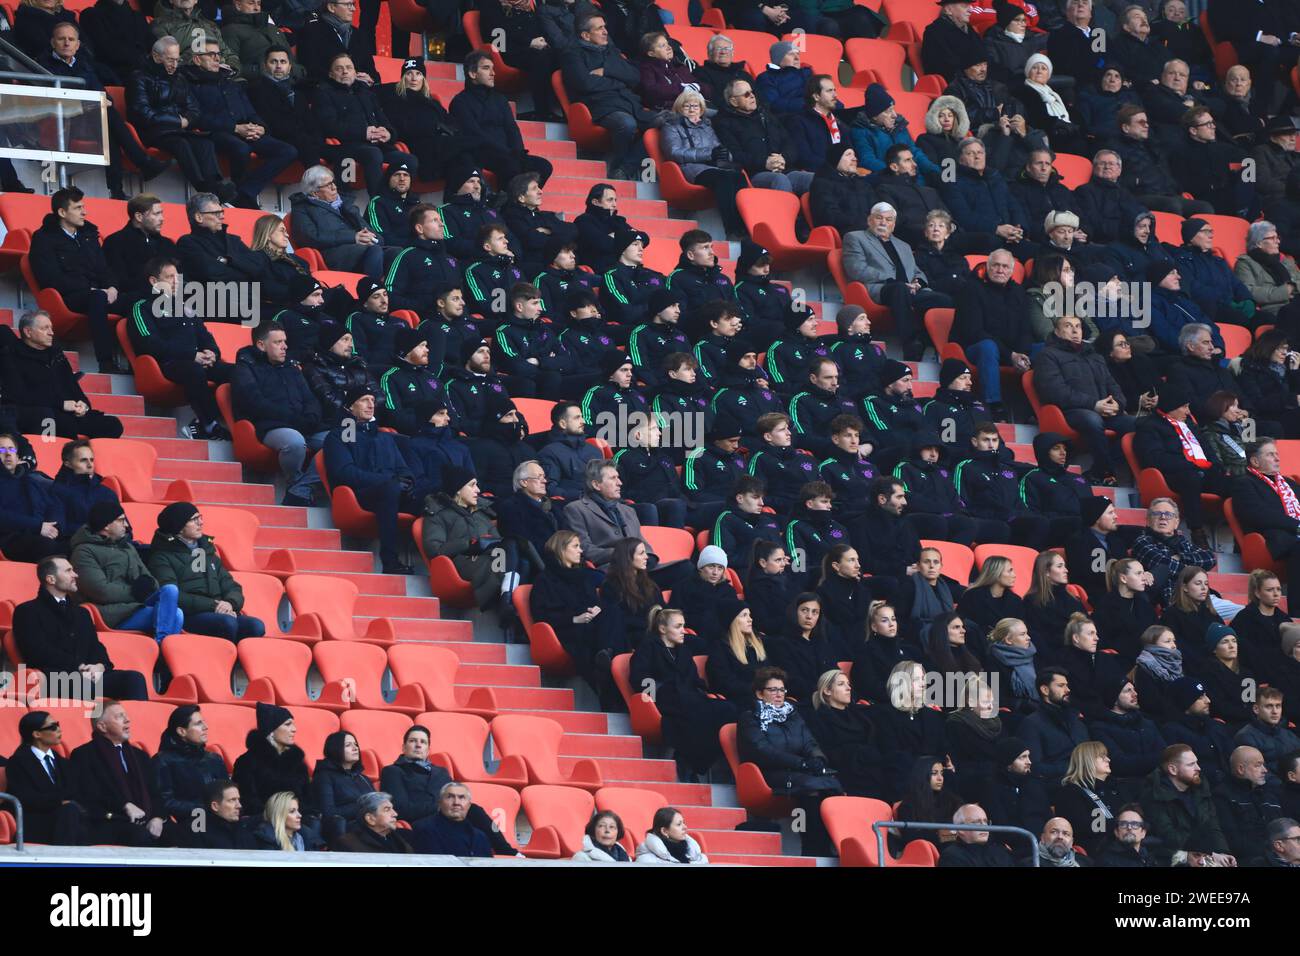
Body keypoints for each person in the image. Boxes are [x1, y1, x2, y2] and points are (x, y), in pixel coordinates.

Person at [323, 387, 432, 574]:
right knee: (389, 489)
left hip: (393, 491)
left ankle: (440, 566)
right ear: (350, 407)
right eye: (364, 400)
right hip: (360, 495)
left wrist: (406, 482)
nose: (371, 404)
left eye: (373, 400)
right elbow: (345, 473)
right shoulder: (340, 435)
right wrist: (389, 480)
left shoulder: (385, 437)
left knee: (432, 495)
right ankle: (390, 562)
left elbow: (403, 468)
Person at [13, 556, 149, 701]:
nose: (75, 575)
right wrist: (79, 667)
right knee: (83, 684)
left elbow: (96, 647)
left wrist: (100, 666)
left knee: (134, 679)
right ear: (51, 579)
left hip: (86, 676)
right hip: (54, 678)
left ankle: (137, 724)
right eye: (68, 571)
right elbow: (37, 652)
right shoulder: (27, 611)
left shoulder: (82, 613)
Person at [24, 186, 128, 376]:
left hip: (99, 293)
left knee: (138, 301)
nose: (84, 212)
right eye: (78, 208)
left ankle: (139, 361)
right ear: (62, 212)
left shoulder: (89, 234)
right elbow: (49, 278)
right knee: (97, 297)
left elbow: (104, 269)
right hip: (68, 297)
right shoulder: (44, 238)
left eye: (83, 207)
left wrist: (112, 287)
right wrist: (93, 289)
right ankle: (106, 362)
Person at [736, 665, 841, 853]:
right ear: (760, 694)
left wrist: (817, 759)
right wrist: (800, 763)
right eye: (773, 690)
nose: (779, 694)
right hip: (768, 773)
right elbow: (763, 751)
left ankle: (827, 845)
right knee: (812, 787)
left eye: (782, 689)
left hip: (796, 770)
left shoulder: (793, 715)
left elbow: (809, 742)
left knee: (832, 785)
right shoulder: (750, 718)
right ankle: (812, 847)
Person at [183, 38, 296, 209]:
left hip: (244, 130)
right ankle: (240, 197)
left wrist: (259, 127)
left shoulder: (230, 82)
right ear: (197, 59)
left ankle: (245, 192)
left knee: (288, 151)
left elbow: (250, 111)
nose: (217, 58)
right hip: (215, 133)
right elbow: (198, 118)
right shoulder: (189, 83)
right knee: (241, 148)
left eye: (218, 54)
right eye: (211, 54)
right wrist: (234, 128)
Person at [631, 606, 733, 777]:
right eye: (678, 626)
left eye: (683, 626)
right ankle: (689, 761)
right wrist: (655, 694)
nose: (683, 631)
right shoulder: (648, 647)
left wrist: (700, 690)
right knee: (698, 713)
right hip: (664, 697)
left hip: (689, 697)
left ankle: (694, 760)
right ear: (663, 629)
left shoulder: (684, 651)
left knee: (727, 709)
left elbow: (694, 680)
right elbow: (640, 678)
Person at [841, 203, 950, 361]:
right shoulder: (855, 237)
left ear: (893, 224)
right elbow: (856, 269)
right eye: (879, 218)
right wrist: (891, 280)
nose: (883, 222)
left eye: (889, 219)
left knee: (944, 300)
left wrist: (918, 282)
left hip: (908, 290)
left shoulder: (903, 246)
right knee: (899, 288)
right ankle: (911, 343)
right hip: (880, 289)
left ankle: (926, 340)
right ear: (870, 220)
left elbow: (917, 271)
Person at [128, 36, 232, 202]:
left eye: (177, 60)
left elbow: (194, 109)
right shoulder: (139, 77)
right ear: (156, 57)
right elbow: (143, 113)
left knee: (205, 142)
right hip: (153, 131)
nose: (174, 65)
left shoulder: (179, 78)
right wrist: (178, 121)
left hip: (178, 129)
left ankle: (216, 185)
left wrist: (186, 121)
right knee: (181, 144)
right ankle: (203, 187)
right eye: (170, 60)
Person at [1033, 316, 1134, 484]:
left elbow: (1113, 386)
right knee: (1092, 420)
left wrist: (1117, 403)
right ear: (1057, 332)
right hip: (1069, 411)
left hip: (1104, 411)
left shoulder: (1094, 356)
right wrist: (1093, 405)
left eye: (1078, 326)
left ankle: (1100, 467)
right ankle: (1105, 471)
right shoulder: (1048, 355)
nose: (1075, 331)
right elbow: (1055, 392)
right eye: (1068, 326)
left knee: (1136, 424)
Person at [147, 502, 265, 642]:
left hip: (220, 611)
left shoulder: (207, 551)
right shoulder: (162, 557)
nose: (201, 523)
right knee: (227, 624)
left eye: (200, 517)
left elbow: (231, 585)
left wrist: (229, 603)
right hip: (190, 614)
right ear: (178, 527)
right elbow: (172, 596)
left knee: (256, 626)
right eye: (194, 519)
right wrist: (214, 606)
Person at [1133, 383, 1232, 546]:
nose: (1188, 412)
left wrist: (1216, 467)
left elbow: (1208, 450)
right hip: (1172, 475)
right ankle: (1197, 532)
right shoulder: (1149, 426)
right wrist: (1190, 464)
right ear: (1171, 407)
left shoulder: (1190, 426)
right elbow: (1153, 458)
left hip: (1201, 471)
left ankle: (1238, 535)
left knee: (1236, 484)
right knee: (1190, 478)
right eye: (1184, 407)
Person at [70, 501, 184, 642]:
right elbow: (100, 591)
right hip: (113, 614)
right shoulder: (84, 551)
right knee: (176, 615)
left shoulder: (127, 548)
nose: (126, 525)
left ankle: (161, 644)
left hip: (137, 606)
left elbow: (150, 581)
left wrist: (148, 585)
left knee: (170, 590)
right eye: (121, 520)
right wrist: (134, 591)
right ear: (106, 525)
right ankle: (162, 647)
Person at [560, 13, 655, 178]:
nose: (605, 32)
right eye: (600, 28)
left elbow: (635, 77)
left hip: (629, 103)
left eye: (605, 27)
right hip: (600, 106)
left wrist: (607, 71)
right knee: (627, 124)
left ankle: (625, 167)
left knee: (662, 123)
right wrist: (619, 81)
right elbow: (586, 84)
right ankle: (618, 167)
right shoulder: (572, 54)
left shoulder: (611, 50)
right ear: (585, 35)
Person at [69, 699, 172, 846]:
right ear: (102, 726)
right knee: (139, 835)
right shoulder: (84, 755)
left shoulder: (140, 755)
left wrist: (157, 817)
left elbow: (155, 792)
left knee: (178, 835)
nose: (127, 720)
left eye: (126, 715)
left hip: (144, 820)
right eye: (119, 717)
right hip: (108, 821)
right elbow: (89, 794)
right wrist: (124, 805)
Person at [450, 50, 554, 187]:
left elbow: (512, 128)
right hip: (481, 153)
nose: (493, 73)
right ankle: (510, 204)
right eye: (486, 68)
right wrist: (506, 153)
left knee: (544, 166)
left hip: (508, 153)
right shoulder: (460, 102)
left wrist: (518, 152)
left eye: (493, 69)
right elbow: (474, 135)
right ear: (472, 74)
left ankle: (524, 201)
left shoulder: (500, 99)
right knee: (510, 166)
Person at [952, 251, 1033, 415]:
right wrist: (1011, 355)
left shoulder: (1018, 292)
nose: (1000, 270)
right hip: (973, 348)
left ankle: (1035, 409)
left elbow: (1026, 329)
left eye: (1005, 266)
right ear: (988, 267)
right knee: (988, 347)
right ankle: (994, 404)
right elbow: (974, 332)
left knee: (1047, 350)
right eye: (996, 265)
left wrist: (1022, 353)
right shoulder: (971, 288)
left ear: (1011, 271)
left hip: (1011, 351)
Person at [421, 467, 509, 611]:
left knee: (512, 557)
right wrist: (469, 544)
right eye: (472, 485)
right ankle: (503, 603)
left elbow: (498, 540)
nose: (478, 490)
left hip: (489, 558)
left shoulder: (482, 513)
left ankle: (508, 600)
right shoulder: (437, 513)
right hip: (459, 563)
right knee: (498, 563)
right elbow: (434, 550)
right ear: (458, 489)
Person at [714, 77, 814, 195]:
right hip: (755, 174)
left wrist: (783, 159)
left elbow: (789, 142)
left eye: (752, 92)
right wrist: (765, 162)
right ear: (733, 101)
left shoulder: (766, 115)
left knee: (816, 179)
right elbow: (735, 155)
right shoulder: (724, 123)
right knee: (780, 180)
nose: (752, 96)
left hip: (785, 169)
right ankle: (784, 214)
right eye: (746, 94)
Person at [378, 61, 471, 187]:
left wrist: (444, 129)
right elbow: (401, 127)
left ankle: (474, 197)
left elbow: (451, 122)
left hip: (441, 146)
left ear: (423, 78)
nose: (414, 78)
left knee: (463, 159)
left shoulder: (432, 102)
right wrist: (434, 127)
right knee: (469, 146)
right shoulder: (396, 98)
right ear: (402, 78)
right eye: (409, 73)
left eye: (418, 73)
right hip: (419, 148)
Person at [1139, 744, 1235, 866]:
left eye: (1197, 763)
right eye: (1191, 764)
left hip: (1203, 852)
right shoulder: (1154, 795)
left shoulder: (1200, 789)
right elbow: (1169, 837)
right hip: (1170, 856)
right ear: (1172, 769)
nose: (1198, 768)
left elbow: (1212, 825)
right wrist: (1209, 852)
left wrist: (1222, 852)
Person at [5, 711, 90, 845]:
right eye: (53, 727)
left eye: (58, 725)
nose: (59, 729)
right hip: (35, 822)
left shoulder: (64, 763)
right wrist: (59, 802)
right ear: (36, 734)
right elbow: (26, 798)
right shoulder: (18, 762)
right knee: (70, 812)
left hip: (66, 819)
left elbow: (75, 791)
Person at [289, 164, 385, 276]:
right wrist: (353, 237)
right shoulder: (302, 208)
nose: (334, 187)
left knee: (395, 253)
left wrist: (373, 238)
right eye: (328, 185)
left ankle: (390, 293)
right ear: (315, 193)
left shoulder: (343, 204)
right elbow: (310, 237)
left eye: (333, 182)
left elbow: (373, 235)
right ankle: (373, 291)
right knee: (374, 251)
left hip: (358, 248)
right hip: (332, 254)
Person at [873, 660, 949, 801]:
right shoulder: (884, 714)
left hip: (934, 775)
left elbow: (941, 749)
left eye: (923, 679)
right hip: (903, 777)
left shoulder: (932, 715)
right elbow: (890, 752)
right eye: (916, 679)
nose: (923, 683)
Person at [245, 47, 327, 171]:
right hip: (277, 140)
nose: (278, 66)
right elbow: (270, 121)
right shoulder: (257, 89)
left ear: (289, 66)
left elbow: (310, 121)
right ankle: (318, 188)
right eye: (273, 62)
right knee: (307, 146)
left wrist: (316, 139)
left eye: (283, 62)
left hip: (304, 141)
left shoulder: (298, 92)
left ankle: (341, 188)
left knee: (343, 153)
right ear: (265, 65)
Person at [846, 478, 922, 605]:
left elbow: (918, 552)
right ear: (882, 499)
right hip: (888, 579)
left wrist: (920, 566)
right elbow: (865, 562)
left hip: (914, 576)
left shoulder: (906, 523)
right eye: (899, 497)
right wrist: (902, 570)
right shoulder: (859, 525)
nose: (905, 502)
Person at [232, 703, 311, 820]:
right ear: (270, 731)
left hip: (297, 820)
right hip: (265, 821)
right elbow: (249, 801)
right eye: (287, 724)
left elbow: (307, 798)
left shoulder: (297, 762)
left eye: (293, 724)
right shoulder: (247, 762)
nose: (294, 729)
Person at [153, 705, 228, 828]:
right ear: (182, 731)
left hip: (219, 818)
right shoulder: (163, 761)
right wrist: (203, 809)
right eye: (198, 724)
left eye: (204, 722)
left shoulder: (214, 759)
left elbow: (227, 793)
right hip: (190, 822)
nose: (205, 727)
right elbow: (165, 802)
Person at [0, 433, 68, 562]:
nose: (8, 454)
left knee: (76, 545)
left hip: (40, 533)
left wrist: (54, 527)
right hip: (11, 538)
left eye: (11, 449)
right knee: (48, 547)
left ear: (18, 457)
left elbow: (54, 504)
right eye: (1, 450)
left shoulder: (31, 481)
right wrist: (38, 526)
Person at [1213, 745, 1284, 865]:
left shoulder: (1269, 793)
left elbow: (1282, 827)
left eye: (1264, 765)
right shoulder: (1222, 796)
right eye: (1258, 765)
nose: (1265, 770)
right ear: (1241, 769)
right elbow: (1234, 841)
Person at [1018, 668, 1088, 783]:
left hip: (1090, 781)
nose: (1068, 690)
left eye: (1067, 685)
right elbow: (1034, 767)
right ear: (1045, 690)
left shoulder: (1076, 719)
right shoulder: (1031, 723)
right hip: (1061, 786)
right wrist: (1076, 768)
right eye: (1061, 686)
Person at [103, 194, 178, 303]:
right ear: (139, 217)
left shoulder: (167, 244)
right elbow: (118, 280)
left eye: (161, 213)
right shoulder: (115, 242)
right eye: (156, 214)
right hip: (135, 300)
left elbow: (178, 276)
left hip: (169, 299)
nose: (162, 218)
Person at [974, 736, 1052, 838]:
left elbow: (1048, 816)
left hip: (1042, 843)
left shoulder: (1035, 783)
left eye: (1028, 756)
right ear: (1008, 763)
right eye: (1022, 757)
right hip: (1014, 846)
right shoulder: (991, 787)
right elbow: (1000, 824)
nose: (1029, 762)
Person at [1234, 220, 1300, 333]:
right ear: (1259, 243)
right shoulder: (1245, 263)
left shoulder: (1284, 261)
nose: (1278, 241)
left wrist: (1292, 288)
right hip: (1274, 309)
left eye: (1277, 237)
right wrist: (1285, 291)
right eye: (1272, 238)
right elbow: (1249, 291)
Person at [311, 731, 375, 843]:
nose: (355, 748)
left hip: (371, 825)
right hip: (348, 830)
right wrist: (362, 807)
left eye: (355, 744)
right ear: (335, 749)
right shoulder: (324, 776)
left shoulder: (363, 778)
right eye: (348, 745)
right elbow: (328, 812)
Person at [894, 755, 964, 852]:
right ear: (922, 775)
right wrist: (944, 835)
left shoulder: (951, 801)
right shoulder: (908, 806)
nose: (940, 778)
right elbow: (911, 838)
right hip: (927, 853)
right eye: (934, 773)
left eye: (942, 773)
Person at [410, 782, 494, 857]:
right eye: (450, 797)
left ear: (469, 805)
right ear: (439, 803)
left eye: (461, 797)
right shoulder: (424, 829)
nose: (456, 802)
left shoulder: (480, 836)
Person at [958, 559, 1026, 641]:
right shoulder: (972, 596)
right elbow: (963, 624)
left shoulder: (1016, 600)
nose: (1014, 575)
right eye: (1009, 571)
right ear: (996, 573)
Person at [922, 0, 989, 82]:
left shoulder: (969, 29)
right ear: (948, 10)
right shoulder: (934, 32)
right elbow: (941, 67)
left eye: (970, 5)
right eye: (964, 6)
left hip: (978, 82)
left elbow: (984, 56)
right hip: (955, 87)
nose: (970, 9)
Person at [1235, 687, 1300, 768]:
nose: (1275, 711)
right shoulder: (1245, 737)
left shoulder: (1288, 734)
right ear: (1256, 709)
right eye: (1269, 706)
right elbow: (1257, 773)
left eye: (1278, 706)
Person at [939, 804, 1017, 866]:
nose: (984, 826)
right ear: (961, 829)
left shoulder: (1000, 851)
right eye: (977, 822)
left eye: (985, 821)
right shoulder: (952, 856)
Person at [188, 780, 257, 849]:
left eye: (238, 800)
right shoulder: (198, 834)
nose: (239, 805)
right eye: (232, 800)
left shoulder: (243, 829)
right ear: (215, 806)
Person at [634, 806, 709, 864]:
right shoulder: (647, 861)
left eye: (684, 823)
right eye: (679, 824)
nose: (685, 827)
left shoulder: (697, 856)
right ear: (664, 831)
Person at [253, 791, 324, 851]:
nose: (299, 815)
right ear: (279, 815)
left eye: (298, 810)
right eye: (292, 811)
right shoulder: (266, 838)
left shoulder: (304, 837)